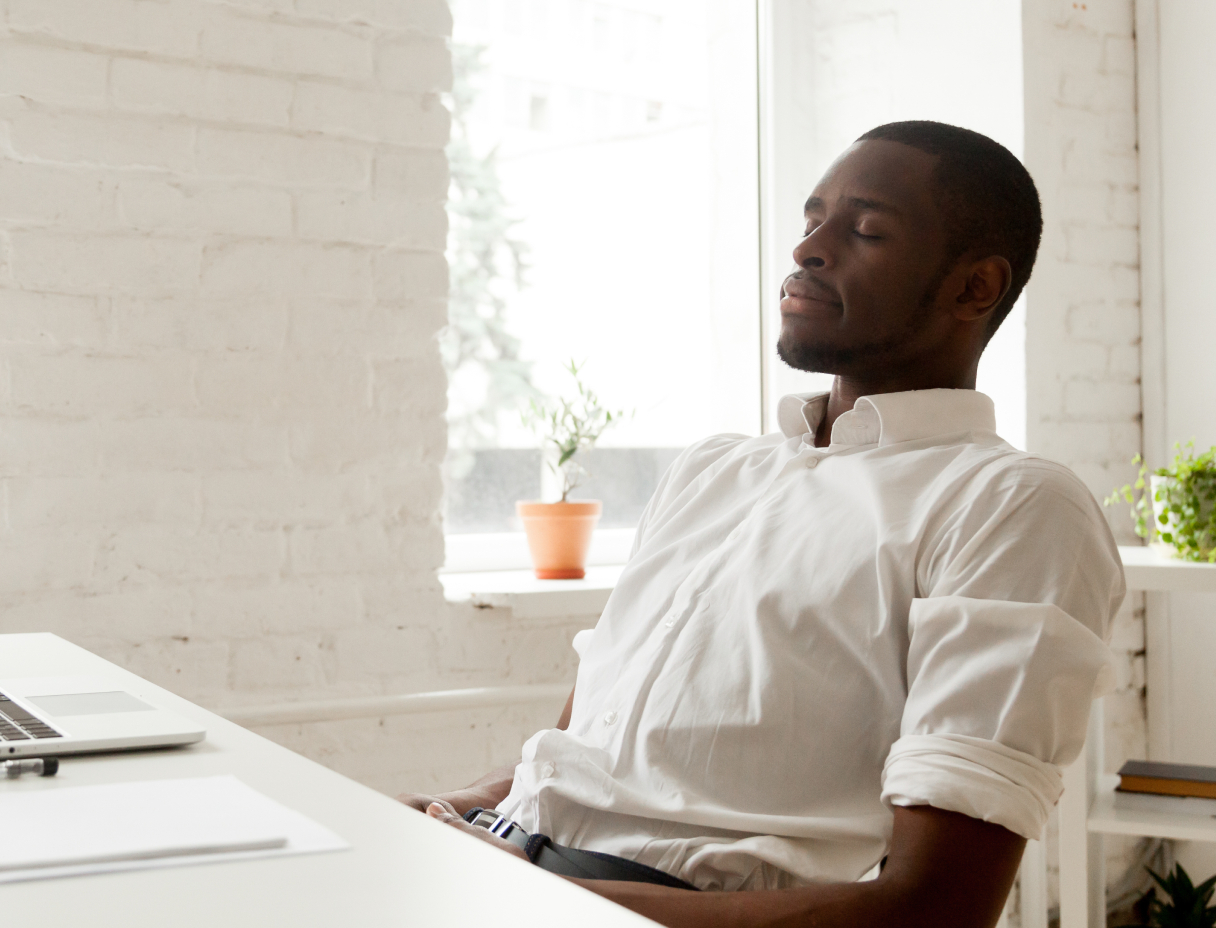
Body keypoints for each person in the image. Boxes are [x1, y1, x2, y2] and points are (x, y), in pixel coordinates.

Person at [399, 121, 1124, 928]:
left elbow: (935, 909)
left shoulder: (1010, 506)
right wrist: (451, 812)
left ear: (972, 288)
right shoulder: (711, 470)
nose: (809, 248)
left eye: (866, 229)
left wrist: (539, 898)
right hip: (506, 865)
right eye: (811, 220)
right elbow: (588, 752)